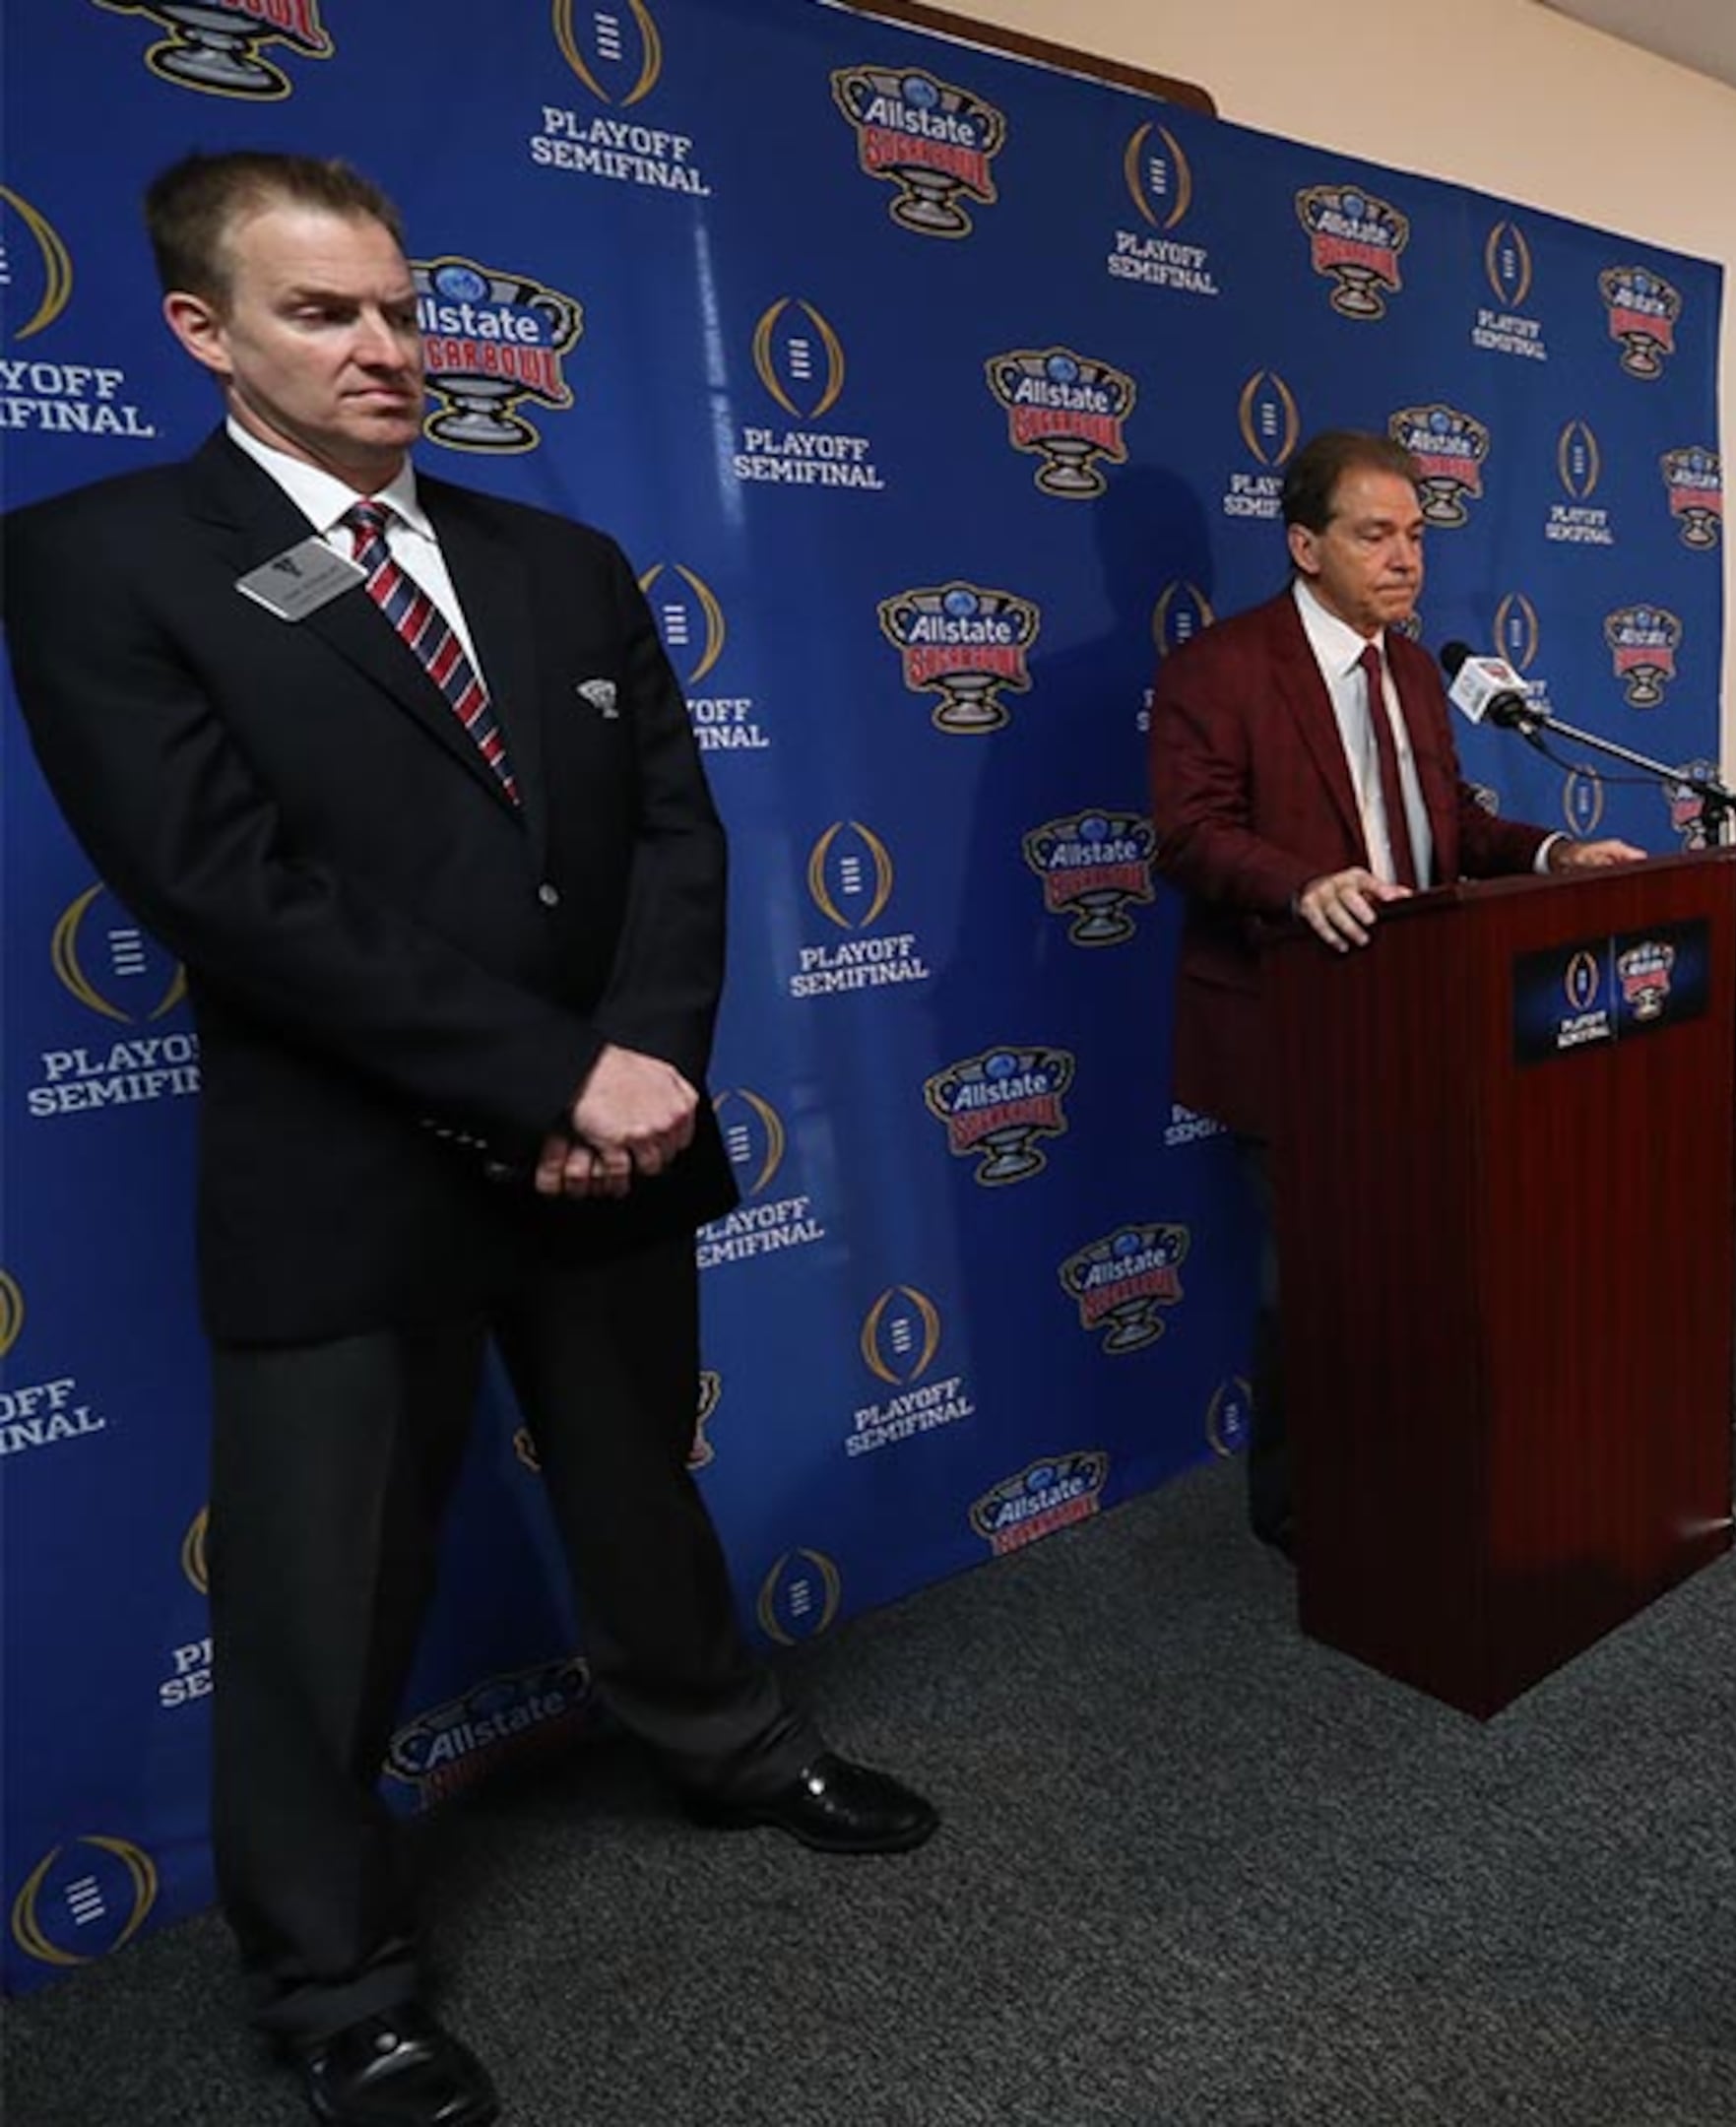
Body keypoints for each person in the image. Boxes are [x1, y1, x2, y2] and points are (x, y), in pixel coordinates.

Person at [0, 152, 936, 2127]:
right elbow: (219, 884)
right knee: (317, 1600)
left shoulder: (556, 563)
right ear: (203, 332)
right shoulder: (99, 559)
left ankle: (730, 1747)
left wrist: (644, 1071)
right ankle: (335, 1979)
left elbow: (675, 835)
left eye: (402, 310)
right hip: (346, 1178)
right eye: (323, 313)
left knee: (634, 1491)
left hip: (617, 1145)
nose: (384, 349)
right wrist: (544, 1078)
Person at [1148, 427, 1642, 1540]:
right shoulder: (1218, 670)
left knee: (1419, 1267)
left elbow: (1448, 825)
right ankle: (1300, 1514)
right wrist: (1297, 882)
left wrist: (1555, 857)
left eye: (1417, 535)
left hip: (1422, 1015)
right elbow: (1188, 835)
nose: (1406, 558)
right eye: (1377, 535)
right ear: (1304, 545)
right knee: (1312, 1285)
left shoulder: (1416, 669)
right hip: (1292, 1023)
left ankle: (1411, 1464)